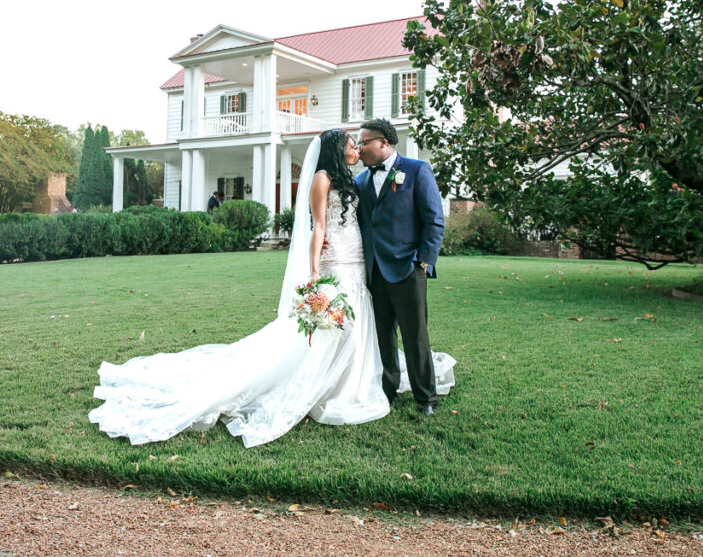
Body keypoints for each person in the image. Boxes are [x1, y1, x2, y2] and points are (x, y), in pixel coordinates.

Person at [89, 129, 397, 447]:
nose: (357, 150)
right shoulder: (322, 178)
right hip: (333, 258)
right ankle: (329, 389)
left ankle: (350, 386)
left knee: (355, 323)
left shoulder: (350, 178)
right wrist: (315, 270)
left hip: (356, 254)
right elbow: (317, 225)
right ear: (336, 149)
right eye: (351, 145)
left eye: (358, 146)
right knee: (336, 327)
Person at [355, 118, 452, 416]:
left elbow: (434, 219)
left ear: (384, 143)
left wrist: (424, 261)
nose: (359, 149)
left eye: (364, 143)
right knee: (382, 334)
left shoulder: (416, 170)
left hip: (408, 268)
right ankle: (388, 389)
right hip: (374, 271)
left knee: (415, 334)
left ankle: (426, 397)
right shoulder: (360, 181)